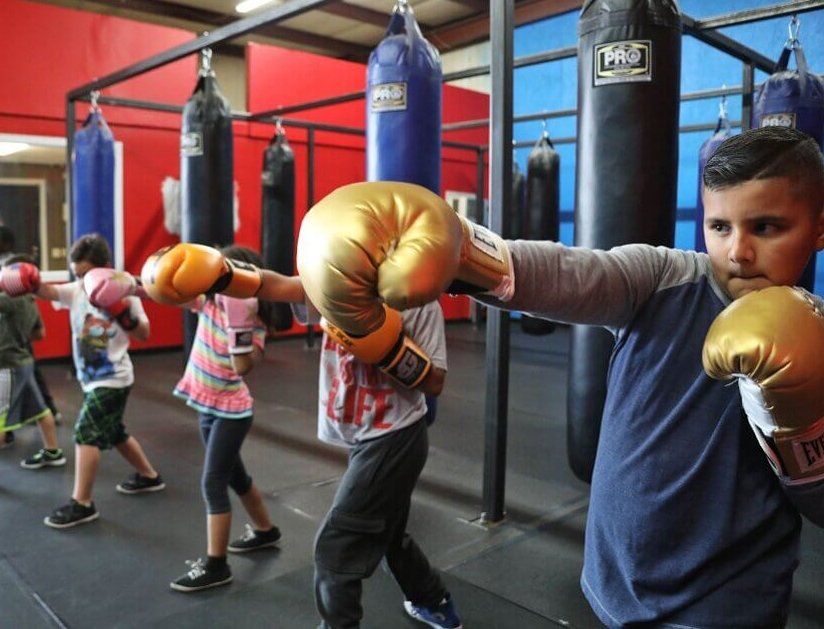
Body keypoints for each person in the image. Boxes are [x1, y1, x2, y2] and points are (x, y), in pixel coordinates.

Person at [289, 127, 824, 627]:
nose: (737, 252)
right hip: (615, 582)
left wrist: (791, 415)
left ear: (819, 227)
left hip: (725, 605)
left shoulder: (820, 342)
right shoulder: (663, 279)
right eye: (720, 227)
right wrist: (457, 248)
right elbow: (566, 274)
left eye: (766, 227)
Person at [138, 242, 461, 627]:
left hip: (395, 439)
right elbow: (274, 285)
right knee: (387, 533)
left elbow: (435, 381)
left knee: (335, 548)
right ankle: (431, 598)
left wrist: (387, 350)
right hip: (365, 436)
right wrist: (222, 275)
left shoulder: (418, 302)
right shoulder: (339, 285)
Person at [6, 234, 165, 528]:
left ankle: (82, 503)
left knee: (85, 433)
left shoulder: (125, 291)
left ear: (104, 267)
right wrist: (27, 280)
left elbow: (143, 334)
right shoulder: (79, 290)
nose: (81, 280)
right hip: (90, 379)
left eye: (86, 274)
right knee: (114, 432)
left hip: (114, 379)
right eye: (77, 274)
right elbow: (48, 292)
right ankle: (149, 476)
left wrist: (123, 314)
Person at [167, 247, 283, 592]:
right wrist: (134, 283)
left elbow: (242, 367)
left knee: (212, 482)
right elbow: (172, 294)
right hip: (206, 406)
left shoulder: (254, 323)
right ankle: (266, 531)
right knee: (237, 477)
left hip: (232, 413)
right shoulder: (209, 303)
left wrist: (239, 324)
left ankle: (216, 565)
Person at [0, 254, 64, 467]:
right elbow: (39, 334)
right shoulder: (30, 300)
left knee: (0, 418)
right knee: (41, 410)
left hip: (7, 365)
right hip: (24, 361)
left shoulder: (10, 300)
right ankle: (52, 451)